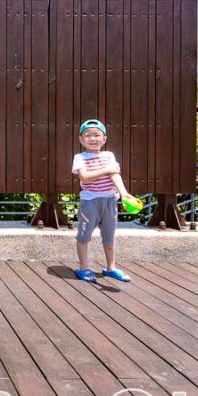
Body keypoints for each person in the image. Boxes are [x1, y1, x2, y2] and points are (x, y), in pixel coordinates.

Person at [70, 119, 136, 283]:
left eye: (97, 135)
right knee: (84, 236)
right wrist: (106, 169)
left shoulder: (109, 155)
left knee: (109, 237)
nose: (93, 139)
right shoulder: (80, 157)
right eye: (88, 135)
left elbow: (115, 175)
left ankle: (111, 268)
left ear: (104, 139)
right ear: (81, 139)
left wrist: (125, 194)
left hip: (110, 201)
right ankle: (84, 267)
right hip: (89, 202)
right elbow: (85, 178)